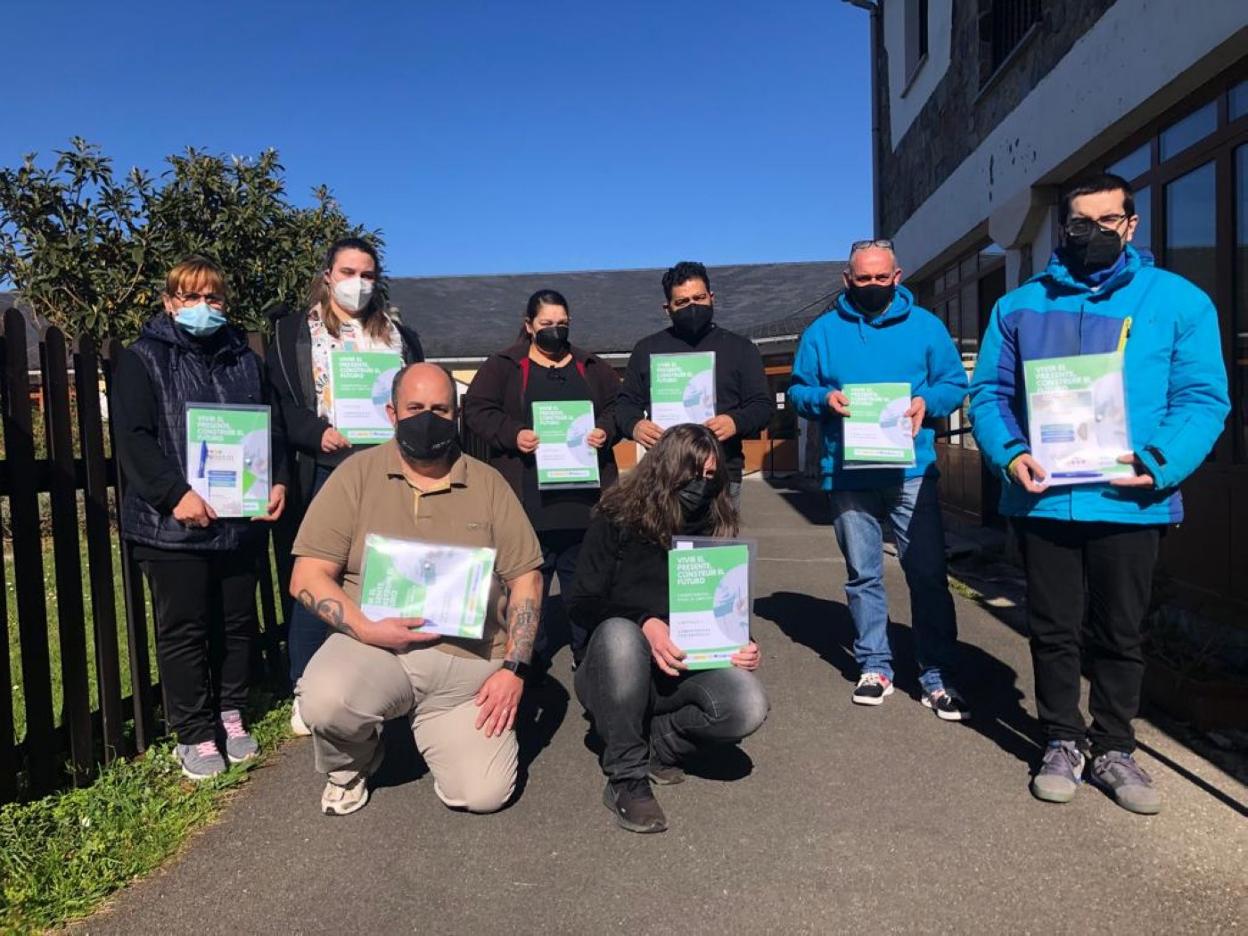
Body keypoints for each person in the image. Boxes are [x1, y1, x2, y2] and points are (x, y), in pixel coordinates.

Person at [968, 173, 1229, 815]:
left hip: (1132, 497)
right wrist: (1010, 453)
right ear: (1064, 229)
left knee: (1121, 630)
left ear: (1131, 224)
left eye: (1107, 222)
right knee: (1053, 630)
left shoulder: (1179, 302)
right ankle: (1061, 738)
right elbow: (990, 395)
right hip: (1045, 498)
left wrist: (1160, 461)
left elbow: (1202, 398)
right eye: (1080, 223)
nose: (1093, 234)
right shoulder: (1018, 306)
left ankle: (1114, 745)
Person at [289, 362, 544, 816]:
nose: (428, 418)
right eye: (415, 408)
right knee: (326, 699)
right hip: (375, 648)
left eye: (441, 409)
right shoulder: (355, 475)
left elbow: (527, 577)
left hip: (465, 666)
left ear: (457, 413)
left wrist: (515, 669)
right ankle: (351, 764)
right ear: (392, 413)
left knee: (482, 795)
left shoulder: (489, 485)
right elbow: (306, 577)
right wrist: (367, 629)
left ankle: (430, 721)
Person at [113, 256, 288, 780]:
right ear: (169, 302)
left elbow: (271, 427)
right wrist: (174, 495)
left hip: (237, 521)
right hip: (173, 527)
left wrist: (275, 478)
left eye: (213, 298)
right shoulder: (141, 359)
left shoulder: (244, 361)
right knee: (184, 629)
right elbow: (133, 438)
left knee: (237, 624)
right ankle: (192, 732)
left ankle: (230, 712)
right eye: (191, 297)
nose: (203, 308)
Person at [787, 241, 970, 717]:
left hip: (911, 469)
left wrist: (926, 402)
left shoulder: (927, 327)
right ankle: (875, 665)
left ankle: (937, 673)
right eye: (862, 278)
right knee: (863, 574)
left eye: (880, 277)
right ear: (847, 279)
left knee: (927, 573)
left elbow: (954, 383)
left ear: (898, 275)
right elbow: (797, 387)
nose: (872, 286)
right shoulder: (822, 332)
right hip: (848, 470)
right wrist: (822, 399)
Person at [567, 424, 768, 833]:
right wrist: (646, 623)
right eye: (693, 475)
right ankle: (626, 778)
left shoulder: (715, 527)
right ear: (666, 469)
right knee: (621, 635)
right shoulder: (616, 518)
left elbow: (725, 604)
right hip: (615, 666)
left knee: (747, 703)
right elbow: (582, 603)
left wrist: (743, 641)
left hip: (680, 668)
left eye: (711, 477)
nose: (701, 486)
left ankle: (658, 743)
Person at [267, 237, 423, 733]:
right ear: (328, 274)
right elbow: (279, 404)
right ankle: (305, 684)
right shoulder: (292, 332)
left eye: (368, 273)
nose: (358, 282)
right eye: (348, 271)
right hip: (326, 466)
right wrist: (317, 433)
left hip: (388, 467)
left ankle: (384, 671)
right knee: (320, 576)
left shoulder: (400, 336)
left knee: (386, 570)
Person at [463, 289, 621, 673]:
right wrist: (512, 434)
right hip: (527, 499)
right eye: (546, 324)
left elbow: (620, 406)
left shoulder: (590, 365)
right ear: (529, 325)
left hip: (584, 498)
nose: (555, 331)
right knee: (526, 585)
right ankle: (527, 658)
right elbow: (476, 409)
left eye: (562, 324)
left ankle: (589, 657)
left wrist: (606, 428)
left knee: (585, 584)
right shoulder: (504, 365)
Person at [615, 261, 773, 509]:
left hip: (721, 476)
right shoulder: (647, 349)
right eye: (682, 302)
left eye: (698, 298)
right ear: (668, 308)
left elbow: (762, 406)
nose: (692, 306)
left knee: (718, 547)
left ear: (712, 297)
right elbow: (625, 404)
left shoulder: (741, 348)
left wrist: (735, 421)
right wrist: (634, 426)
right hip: (666, 476)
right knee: (660, 547)